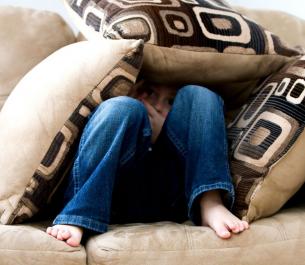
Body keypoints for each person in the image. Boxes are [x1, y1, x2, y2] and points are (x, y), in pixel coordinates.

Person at [46, 79, 249, 247]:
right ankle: (78, 215)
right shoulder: (130, 110)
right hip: (113, 192)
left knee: (199, 94)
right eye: (150, 93)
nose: (158, 106)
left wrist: (162, 133)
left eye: (171, 101)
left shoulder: (181, 121)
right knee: (121, 107)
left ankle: (210, 200)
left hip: (171, 193)